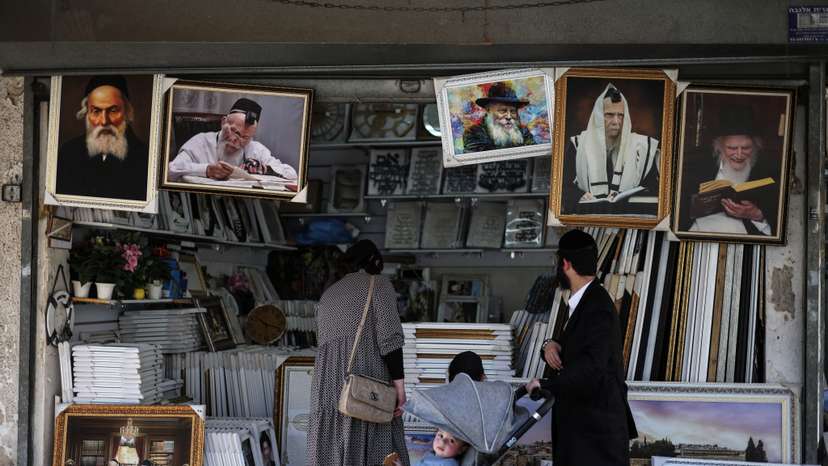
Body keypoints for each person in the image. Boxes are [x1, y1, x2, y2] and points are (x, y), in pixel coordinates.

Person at [526, 229, 636, 466]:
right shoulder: (587, 302)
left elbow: (592, 366)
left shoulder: (597, 307)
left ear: (564, 264)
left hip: (595, 440)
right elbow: (578, 349)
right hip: (587, 435)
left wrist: (546, 384)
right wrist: (548, 345)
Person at [306, 239, 409, 465]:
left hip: (327, 386)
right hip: (364, 378)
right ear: (374, 261)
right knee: (373, 439)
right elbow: (390, 340)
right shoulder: (377, 285)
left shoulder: (329, 294)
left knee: (334, 446)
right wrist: (400, 388)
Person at [684, 106, 778, 235]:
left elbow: (777, 218)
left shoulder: (767, 171)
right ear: (719, 147)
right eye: (732, 148)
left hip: (742, 233)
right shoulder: (698, 166)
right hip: (699, 229)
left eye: (746, 148)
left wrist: (756, 214)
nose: (739, 155)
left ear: (756, 146)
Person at [563, 84, 660, 209]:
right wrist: (580, 195)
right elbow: (562, 186)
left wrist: (624, 196)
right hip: (588, 214)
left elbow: (652, 188)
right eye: (609, 115)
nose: (616, 121)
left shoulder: (641, 148)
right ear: (598, 116)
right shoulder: (577, 145)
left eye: (620, 115)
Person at [56, 75, 149, 200]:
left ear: (127, 112)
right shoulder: (68, 153)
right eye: (96, 111)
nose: (104, 121)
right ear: (86, 113)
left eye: (113, 110)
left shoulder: (146, 157)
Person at [167, 98, 298, 182]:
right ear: (224, 122)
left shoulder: (256, 148)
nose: (237, 141)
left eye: (245, 137)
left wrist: (265, 169)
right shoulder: (201, 141)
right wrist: (207, 170)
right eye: (235, 132)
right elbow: (170, 170)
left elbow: (292, 174)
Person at [463, 82, 536, 152]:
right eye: (503, 111)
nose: (509, 116)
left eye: (513, 111)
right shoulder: (474, 133)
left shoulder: (524, 132)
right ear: (488, 110)